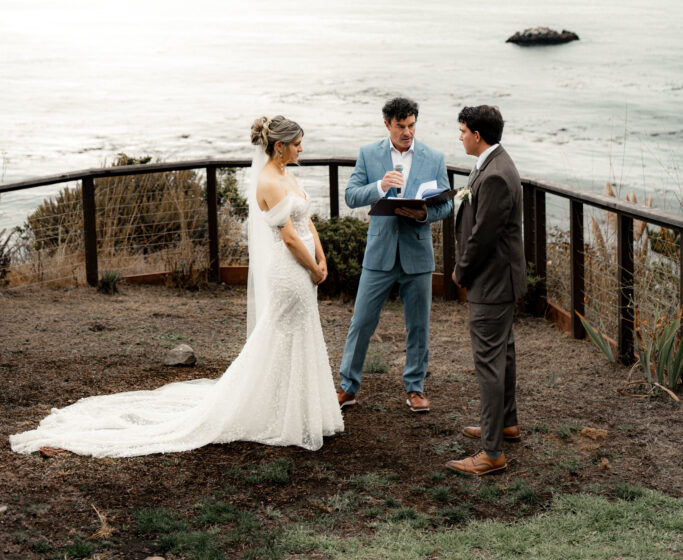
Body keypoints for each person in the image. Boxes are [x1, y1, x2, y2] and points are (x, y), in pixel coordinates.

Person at [10, 116, 343, 457]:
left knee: (302, 332)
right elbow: (288, 237)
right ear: (279, 146)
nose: (302, 148)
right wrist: (312, 268)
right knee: (282, 334)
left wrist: (322, 259)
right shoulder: (269, 182)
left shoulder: (289, 173)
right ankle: (277, 410)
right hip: (290, 270)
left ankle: (298, 407)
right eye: (297, 143)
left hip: (305, 265)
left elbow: (306, 223)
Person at [338, 96, 453, 413]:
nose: (407, 132)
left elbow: (446, 204)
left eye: (412, 125)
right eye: (401, 126)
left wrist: (422, 215)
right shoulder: (368, 154)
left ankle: (415, 389)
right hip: (380, 252)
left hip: (417, 252)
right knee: (361, 322)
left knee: (418, 327)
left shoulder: (434, 157)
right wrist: (378, 185)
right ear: (387, 124)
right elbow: (350, 196)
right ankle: (348, 387)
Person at [446, 105, 526, 476]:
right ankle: (504, 424)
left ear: (477, 135)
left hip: (491, 282)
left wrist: (462, 271)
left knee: (489, 364)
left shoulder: (494, 175)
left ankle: (491, 452)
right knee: (503, 355)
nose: (460, 136)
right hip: (501, 280)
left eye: (462, 131)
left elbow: (483, 236)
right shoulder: (496, 163)